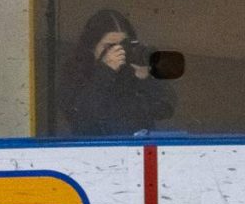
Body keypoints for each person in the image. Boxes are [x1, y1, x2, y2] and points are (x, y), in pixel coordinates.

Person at [60, 7, 179, 138]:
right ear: (92, 47)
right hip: (93, 152)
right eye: (109, 46)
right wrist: (105, 71)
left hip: (136, 151)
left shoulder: (131, 73)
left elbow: (166, 109)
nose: (117, 52)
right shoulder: (76, 71)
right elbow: (81, 117)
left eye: (122, 45)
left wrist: (147, 78)